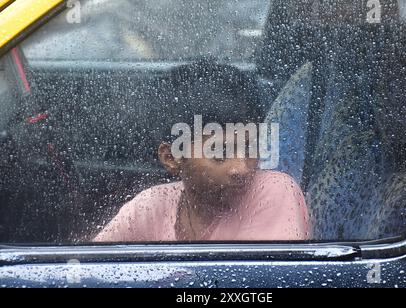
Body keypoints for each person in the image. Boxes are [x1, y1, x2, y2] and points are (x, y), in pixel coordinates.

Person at [94, 60, 309, 242]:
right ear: (171, 157)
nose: (242, 168)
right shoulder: (150, 207)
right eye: (220, 153)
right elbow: (90, 269)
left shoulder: (273, 192)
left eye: (250, 148)